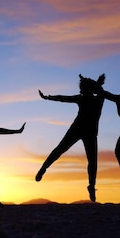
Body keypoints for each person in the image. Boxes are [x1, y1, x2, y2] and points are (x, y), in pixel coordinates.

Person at [36, 74, 105, 202]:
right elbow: (64, 98)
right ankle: (43, 169)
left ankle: (91, 186)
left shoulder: (97, 98)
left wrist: (95, 83)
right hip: (78, 129)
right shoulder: (90, 98)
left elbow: (65, 98)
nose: (82, 91)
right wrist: (48, 97)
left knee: (92, 161)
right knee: (60, 150)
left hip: (88, 132)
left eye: (83, 89)